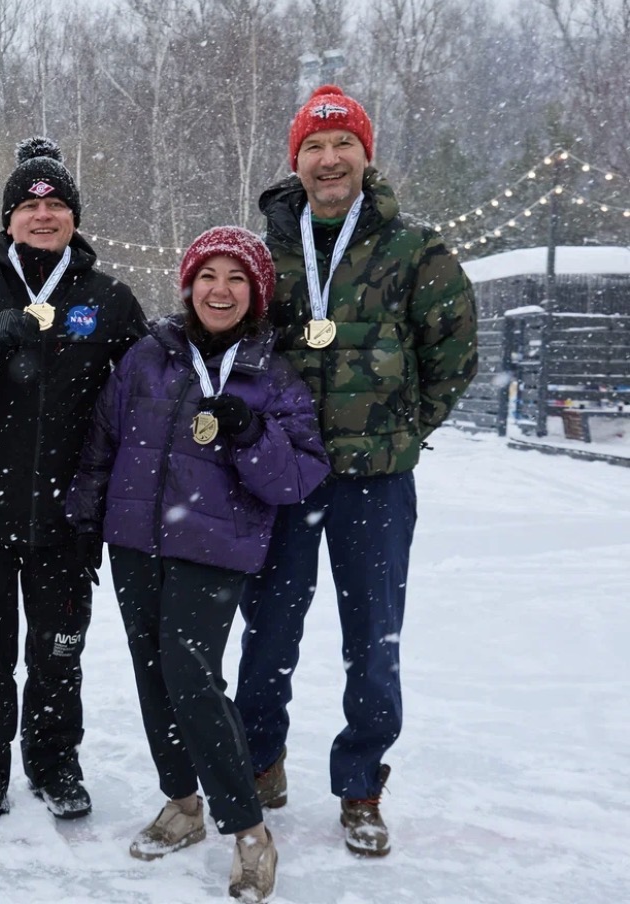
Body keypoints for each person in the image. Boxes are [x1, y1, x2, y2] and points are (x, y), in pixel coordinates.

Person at [235, 85, 479, 857]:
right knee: (268, 630)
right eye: (313, 146)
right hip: (282, 482)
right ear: (296, 160)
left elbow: (454, 354)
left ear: (365, 157)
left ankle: (361, 781)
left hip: (375, 484)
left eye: (343, 145)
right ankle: (261, 760)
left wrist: (403, 428)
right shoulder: (263, 254)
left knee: (373, 638)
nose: (329, 159)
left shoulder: (416, 252)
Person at [67, 226, 328, 902]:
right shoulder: (148, 358)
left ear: (257, 292)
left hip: (214, 547)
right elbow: (103, 439)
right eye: (208, 276)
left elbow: (299, 475)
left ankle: (248, 831)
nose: (220, 290)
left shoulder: (273, 375)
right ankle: (182, 804)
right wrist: (85, 521)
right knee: (153, 672)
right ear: (188, 285)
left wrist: (252, 434)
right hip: (134, 541)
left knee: (190, 675)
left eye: (236, 278)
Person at [0, 137, 148, 839]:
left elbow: (145, 397)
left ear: (75, 219)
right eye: (29, 204)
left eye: (56, 204)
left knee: (58, 654)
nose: (43, 214)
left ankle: (54, 764)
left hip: (67, 522)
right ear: (8, 219)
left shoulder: (110, 301)